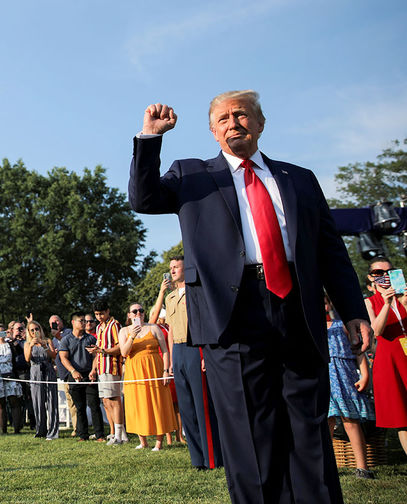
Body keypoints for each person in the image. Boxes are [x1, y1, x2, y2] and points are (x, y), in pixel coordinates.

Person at [128, 90, 371, 503]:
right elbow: (143, 198)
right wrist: (150, 137)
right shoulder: (191, 175)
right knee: (248, 430)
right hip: (230, 315)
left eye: (241, 115)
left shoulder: (301, 179)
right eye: (222, 119)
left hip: (297, 307)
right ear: (212, 131)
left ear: (260, 123)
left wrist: (353, 311)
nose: (232, 123)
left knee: (308, 426)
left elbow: (330, 250)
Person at [159, 256, 222, 468]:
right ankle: (197, 459)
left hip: (195, 348)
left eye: (176, 267)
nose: (173, 271)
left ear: (186, 268)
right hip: (178, 351)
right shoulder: (169, 298)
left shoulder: (196, 292)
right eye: (171, 268)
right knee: (186, 408)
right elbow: (169, 331)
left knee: (202, 405)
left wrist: (205, 354)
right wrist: (169, 362)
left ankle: (212, 457)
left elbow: (205, 324)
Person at [326, 295, 375, 479]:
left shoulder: (342, 325)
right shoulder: (309, 328)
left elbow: (359, 352)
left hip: (345, 378)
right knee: (326, 423)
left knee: (351, 421)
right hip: (323, 379)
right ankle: (325, 465)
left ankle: (362, 467)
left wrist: (365, 374)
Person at [364, 259, 407, 456]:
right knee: (402, 417)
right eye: (378, 272)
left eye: (389, 272)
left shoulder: (404, 296)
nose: (384, 276)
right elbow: (376, 331)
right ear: (371, 277)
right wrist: (387, 304)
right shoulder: (370, 302)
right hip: (390, 360)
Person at [119, 303, 176, 451]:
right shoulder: (124, 331)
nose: (139, 313)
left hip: (154, 369)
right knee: (137, 403)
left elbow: (165, 350)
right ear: (129, 315)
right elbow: (124, 353)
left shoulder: (153, 328)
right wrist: (132, 336)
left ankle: (159, 442)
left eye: (141, 310)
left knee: (157, 402)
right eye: (135, 311)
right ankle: (142, 441)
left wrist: (166, 370)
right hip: (134, 371)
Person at [59, 312, 105, 442]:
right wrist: (73, 371)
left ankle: (100, 435)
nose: (84, 323)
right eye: (81, 321)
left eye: (85, 321)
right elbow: (63, 358)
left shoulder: (90, 339)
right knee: (79, 407)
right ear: (73, 322)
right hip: (74, 376)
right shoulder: (66, 340)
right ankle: (82, 435)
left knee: (94, 405)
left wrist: (93, 370)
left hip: (89, 375)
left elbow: (96, 355)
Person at [92, 300, 127, 445]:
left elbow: (120, 346)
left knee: (114, 399)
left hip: (112, 366)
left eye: (101, 313)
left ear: (107, 311)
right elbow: (98, 349)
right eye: (97, 314)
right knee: (106, 401)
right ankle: (117, 433)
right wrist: (93, 368)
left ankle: (119, 434)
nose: (99, 317)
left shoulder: (115, 325)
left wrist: (103, 351)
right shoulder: (99, 327)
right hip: (101, 367)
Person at [24, 318, 59, 440]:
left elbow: (53, 356)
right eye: (32, 330)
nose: (35, 332)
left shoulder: (48, 341)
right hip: (35, 371)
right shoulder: (27, 344)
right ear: (29, 332)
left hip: (48, 370)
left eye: (36, 329)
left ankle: (53, 431)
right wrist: (32, 345)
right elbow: (27, 359)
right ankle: (41, 430)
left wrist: (45, 346)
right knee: (38, 402)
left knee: (52, 401)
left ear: (40, 329)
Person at [0, 328, 22, 434]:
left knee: (14, 401)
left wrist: (13, 339)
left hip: (11, 374)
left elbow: (19, 352)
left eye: (3, 331)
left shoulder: (11, 344)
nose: (1, 334)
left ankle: (17, 428)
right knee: (1, 403)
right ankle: (3, 429)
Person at [49, 315, 77, 433]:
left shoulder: (69, 333)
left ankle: (78, 428)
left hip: (72, 372)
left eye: (57, 321)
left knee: (76, 401)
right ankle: (76, 428)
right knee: (70, 402)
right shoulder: (54, 340)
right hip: (62, 374)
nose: (55, 324)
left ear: (61, 322)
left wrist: (58, 336)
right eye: (52, 323)